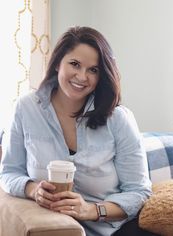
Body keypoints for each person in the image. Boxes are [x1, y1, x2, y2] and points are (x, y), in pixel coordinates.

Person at [0, 26, 152, 236]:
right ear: (57, 64)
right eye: (74, 64)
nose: (82, 76)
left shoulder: (118, 118)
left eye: (93, 70)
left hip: (115, 229)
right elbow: (9, 172)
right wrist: (33, 189)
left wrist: (91, 210)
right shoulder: (26, 108)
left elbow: (139, 191)